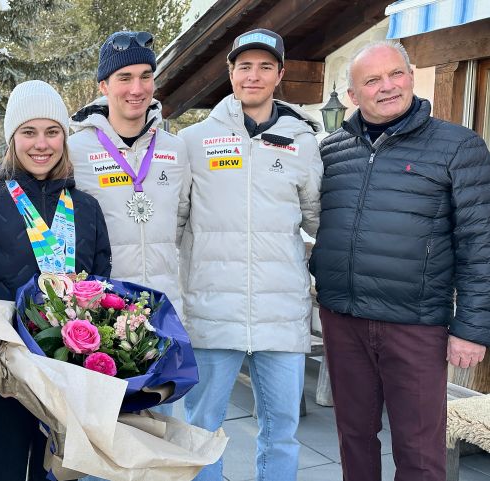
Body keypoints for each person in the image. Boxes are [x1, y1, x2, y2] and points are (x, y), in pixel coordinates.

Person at [310, 40, 490, 481]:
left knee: (419, 448)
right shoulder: (331, 151)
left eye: (397, 74)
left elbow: (479, 242)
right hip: (344, 316)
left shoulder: (458, 147)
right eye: (373, 80)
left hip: (416, 323)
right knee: (353, 435)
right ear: (353, 95)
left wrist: (471, 328)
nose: (388, 86)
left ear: (411, 77)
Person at [177, 28, 323, 481]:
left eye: (264, 67)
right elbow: (175, 222)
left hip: (280, 311)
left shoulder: (303, 143)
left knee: (281, 429)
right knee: (201, 428)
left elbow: (317, 220)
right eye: (244, 67)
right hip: (211, 309)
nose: (253, 76)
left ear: (279, 74)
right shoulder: (195, 140)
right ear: (230, 73)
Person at [0, 80, 112, 481]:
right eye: (29, 132)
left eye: (52, 131)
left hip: (66, 379)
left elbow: (101, 288)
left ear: (65, 137)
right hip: (4, 381)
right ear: (13, 138)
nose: (41, 144)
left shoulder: (86, 208)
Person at [67, 29, 191, 361]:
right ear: (104, 86)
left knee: (165, 409)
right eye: (125, 78)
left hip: (163, 311)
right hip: (103, 316)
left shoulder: (176, 149)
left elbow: (179, 221)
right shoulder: (74, 149)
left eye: (145, 76)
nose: (137, 89)